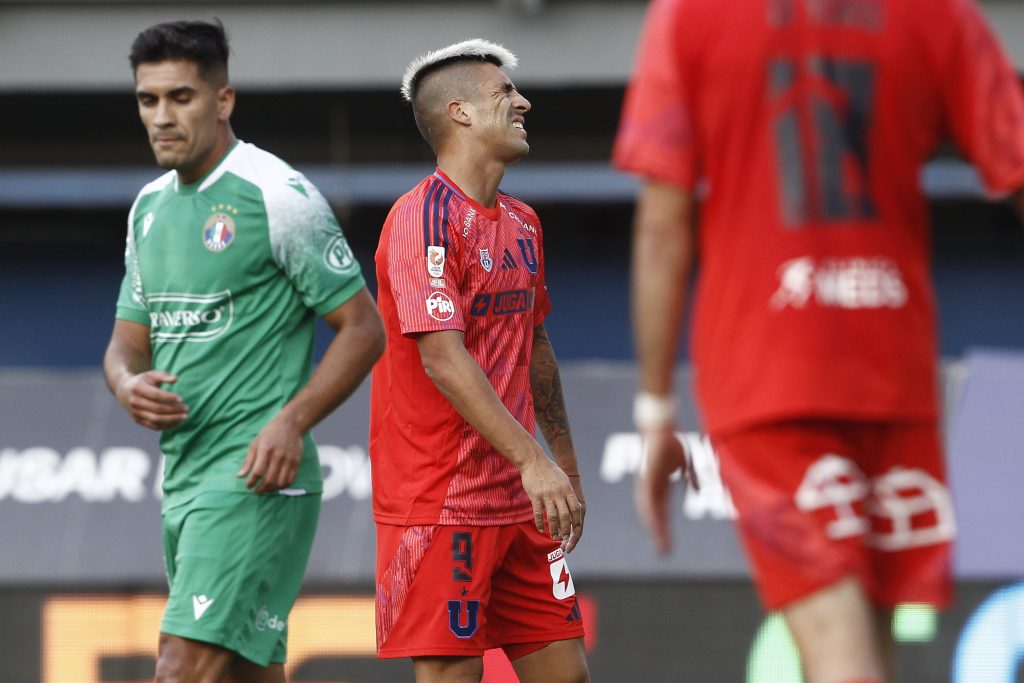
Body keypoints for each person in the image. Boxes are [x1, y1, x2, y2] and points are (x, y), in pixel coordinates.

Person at [614, 0, 1024, 681]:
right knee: (864, 644)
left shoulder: (689, 15)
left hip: (766, 374)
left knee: (843, 657)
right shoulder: (937, 13)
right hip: (892, 370)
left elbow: (662, 223)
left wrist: (655, 406)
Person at [103, 20, 384, 683]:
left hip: (253, 477)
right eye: (149, 100)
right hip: (185, 480)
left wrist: (291, 420)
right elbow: (125, 343)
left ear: (222, 100)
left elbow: (364, 327)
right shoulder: (148, 209)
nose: (162, 117)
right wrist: (124, 384)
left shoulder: (276, 195)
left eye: (181, 97)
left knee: (179, 668)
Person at [370, 39, 590, 683]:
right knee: (452, 677)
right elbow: (442, 358)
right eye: (504, 94)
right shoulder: (420, 220)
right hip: (440, 503)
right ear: (460, 112)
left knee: (567, 673)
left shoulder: (522, 222)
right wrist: (534, 462)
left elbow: (535, 345)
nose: (523, 102)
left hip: (520, 500)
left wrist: (564, 464)